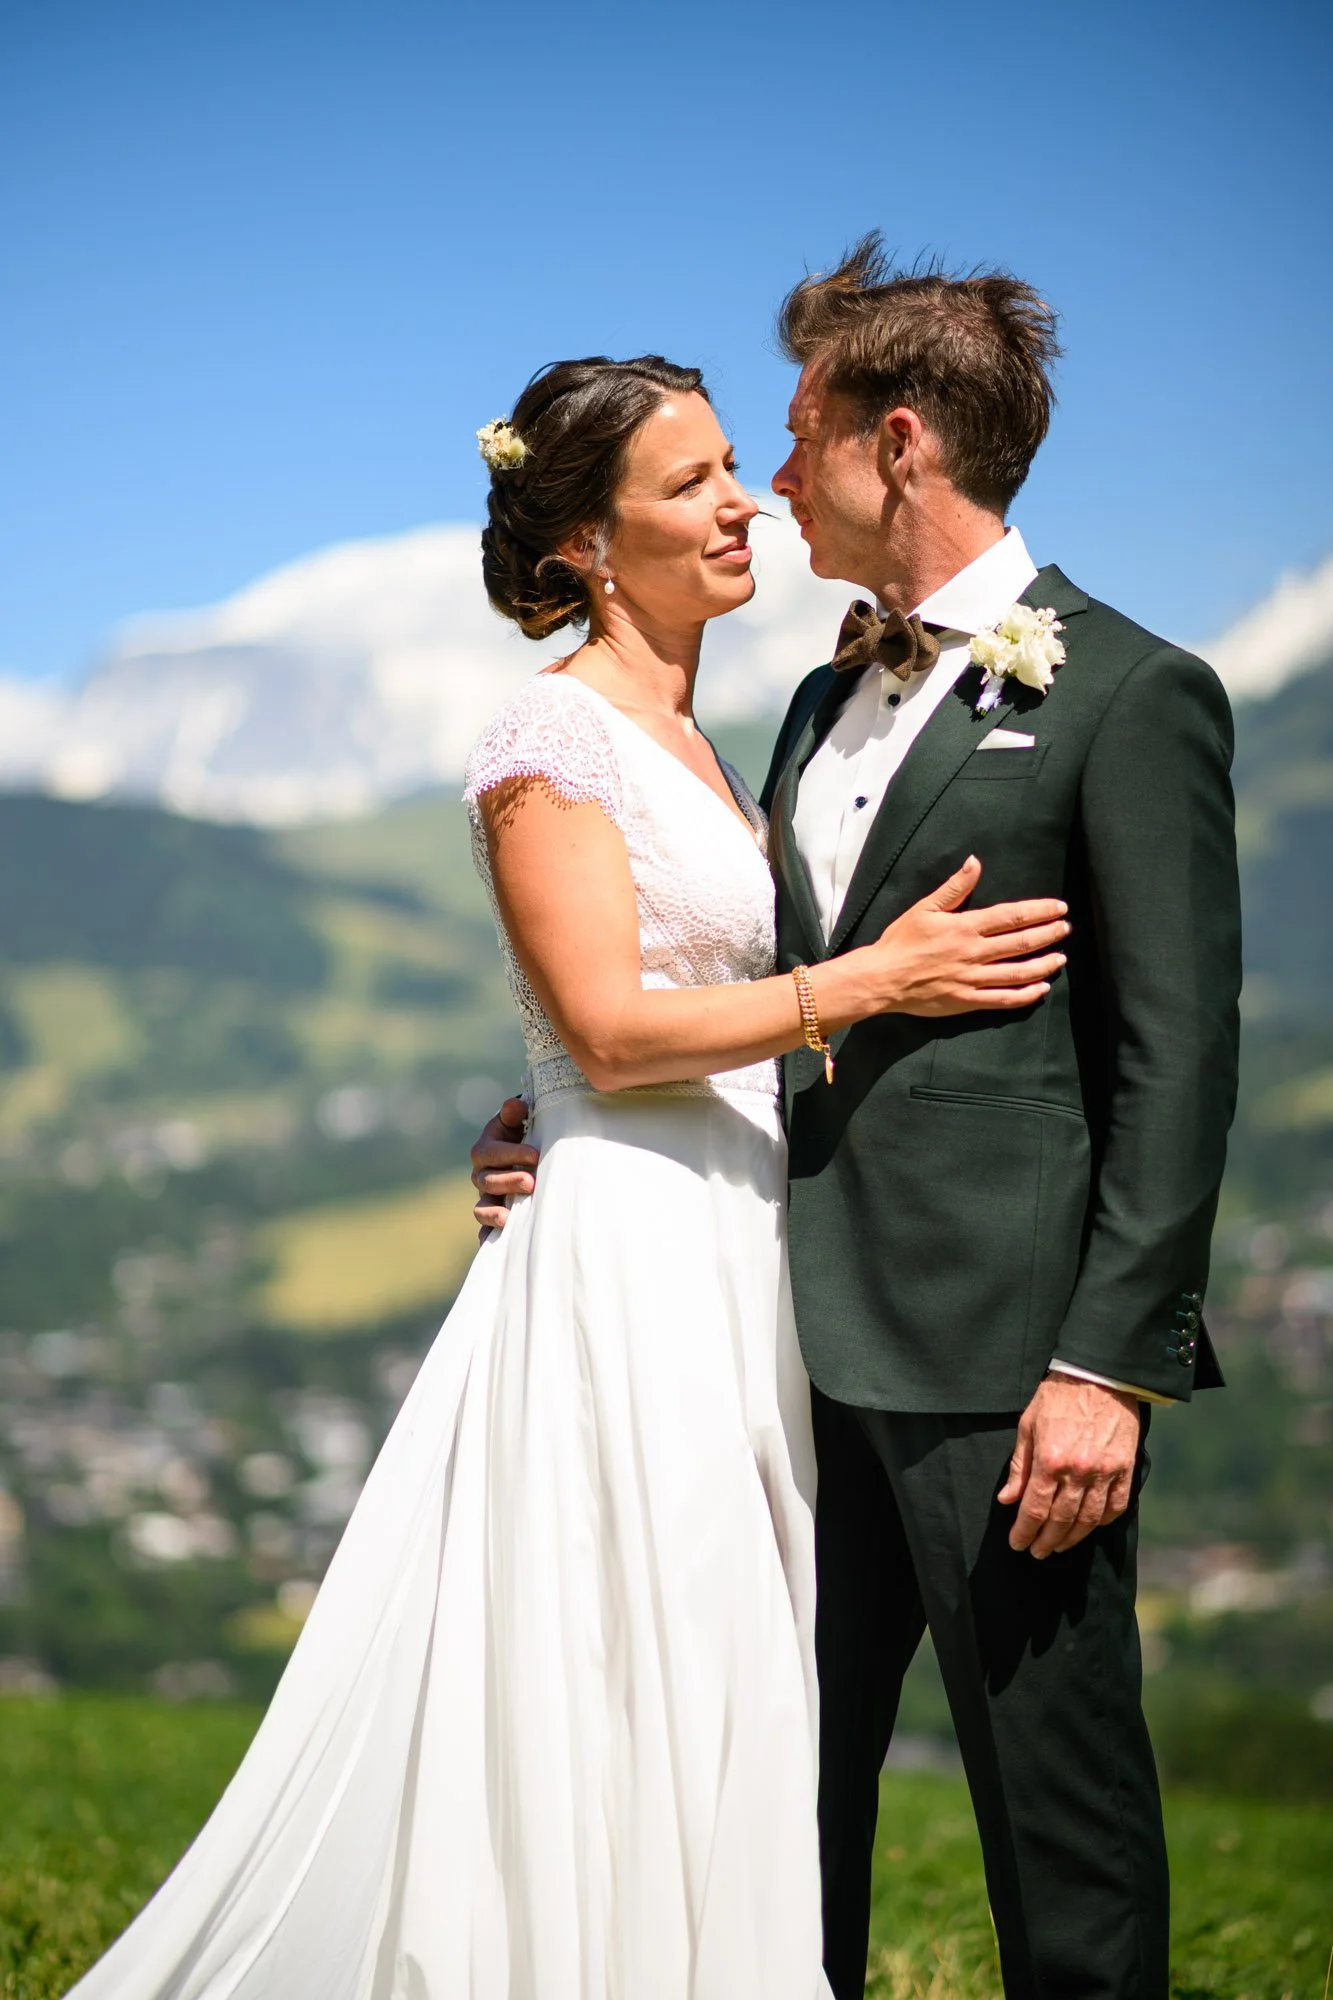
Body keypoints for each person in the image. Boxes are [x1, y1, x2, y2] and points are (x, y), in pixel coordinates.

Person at [67, 355, 1068, 2000]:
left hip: (745, 1251)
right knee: (626, 1663)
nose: (743, 498)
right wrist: (869, 984)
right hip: (630, 1267)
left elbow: (646, 1004)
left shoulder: (700, 736)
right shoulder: (549, 732)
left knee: (726, 1671)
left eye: (737, 463)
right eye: (691, 484)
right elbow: (606, 1025)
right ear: (588, 546)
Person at [472, 244, 1242, 2000]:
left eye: (791, 439)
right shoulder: (813, 704)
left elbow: (1179, 1063)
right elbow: (715, 981)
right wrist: (553, 1116)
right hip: (771, 1358)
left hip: (1004, 1372)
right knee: (767, 1819)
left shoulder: (1129, 695)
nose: (763, 486)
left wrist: (1109, 1369)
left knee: (1060, 1818)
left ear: (896, 445)